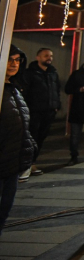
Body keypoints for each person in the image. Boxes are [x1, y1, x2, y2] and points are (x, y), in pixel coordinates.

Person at [1, 45, 36, 234]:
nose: (14, 64)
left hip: (13, 159)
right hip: (4, 156)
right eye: (9, 59)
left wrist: (29, 145)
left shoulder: (14, 88)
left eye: (17, 60)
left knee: (5, 207)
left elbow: (20, 120)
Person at [19, 48, 61, 179]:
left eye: (51, 56)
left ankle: (32, 162)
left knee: (41, 138)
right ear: (38, 57)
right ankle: (26, 164)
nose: (49, 58)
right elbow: (25, 92)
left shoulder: (53, 73)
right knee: (31, 137)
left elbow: (56, 90)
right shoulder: (30, 73)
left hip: (49, 111)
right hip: (34, 111)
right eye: (46, 55)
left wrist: (56, 106)